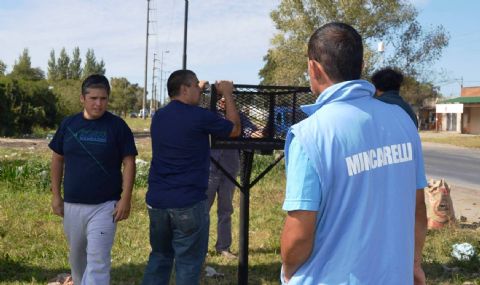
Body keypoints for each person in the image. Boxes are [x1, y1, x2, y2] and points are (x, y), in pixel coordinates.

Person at [280, 23, 428, 285]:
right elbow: (417, 207)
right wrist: (414, 263)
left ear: (313, 68)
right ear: (360, 67)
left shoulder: (308, 134)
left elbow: (300, 232)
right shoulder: (403, 121)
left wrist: (289, 271)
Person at [142, 70, 241, 285]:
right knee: (188, 264)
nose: (199, 88)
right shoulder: (199, 117)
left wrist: (201, 89)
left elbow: (186, 113)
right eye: (195, 86)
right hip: (187, 203)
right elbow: (235, 130)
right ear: (185, 89)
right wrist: (228, 94)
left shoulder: (159, 116)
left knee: (159, 257)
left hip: (157, 202)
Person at [49, 74, 137, 285]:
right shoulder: (69, 124)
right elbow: (57, 159)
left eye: (103, 99)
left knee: (98, 260)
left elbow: (129, 163)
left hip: (105, 206)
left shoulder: (118, 126)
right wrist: (55, 196)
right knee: (77, 260)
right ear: (82, 99)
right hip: (72, 204)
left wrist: (126, 198)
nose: (99, 103)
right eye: (93, 98)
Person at [207, 97, 263, 259]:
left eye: (228, 99)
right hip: (209, 167)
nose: (224, 102)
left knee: (226, 209)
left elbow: (250, 132)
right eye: (222, 99)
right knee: (203, 209)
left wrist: (259, 132)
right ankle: (200, 248)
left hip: (229, 168)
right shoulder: (210, 114)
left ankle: (223, 247)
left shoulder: (239, 116)